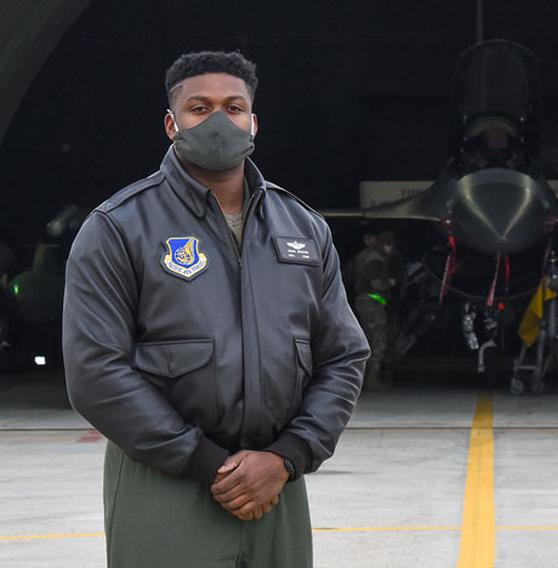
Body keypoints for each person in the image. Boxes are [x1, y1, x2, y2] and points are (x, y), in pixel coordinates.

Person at [62, 51, 369, 568]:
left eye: (234, 107)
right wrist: (207, 462)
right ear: (171, 123)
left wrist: (288, 455)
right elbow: (95, 371)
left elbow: (343, 356)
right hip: (166, 480)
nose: (219, 121)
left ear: (254, 121)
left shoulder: (304, 228)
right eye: (199, 108)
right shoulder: (118, 227)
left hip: (276, 484)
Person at [350, 230, 397, 391]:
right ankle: (372, 377)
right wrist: (390, 282)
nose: (390, 250)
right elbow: (378, 284)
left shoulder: (361, 256)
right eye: (389, 245)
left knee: (366, 338)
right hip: (372, 302)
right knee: (378, 339)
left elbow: (347, 276)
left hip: (363, 300)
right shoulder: (375, 260)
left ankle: (362, 377)